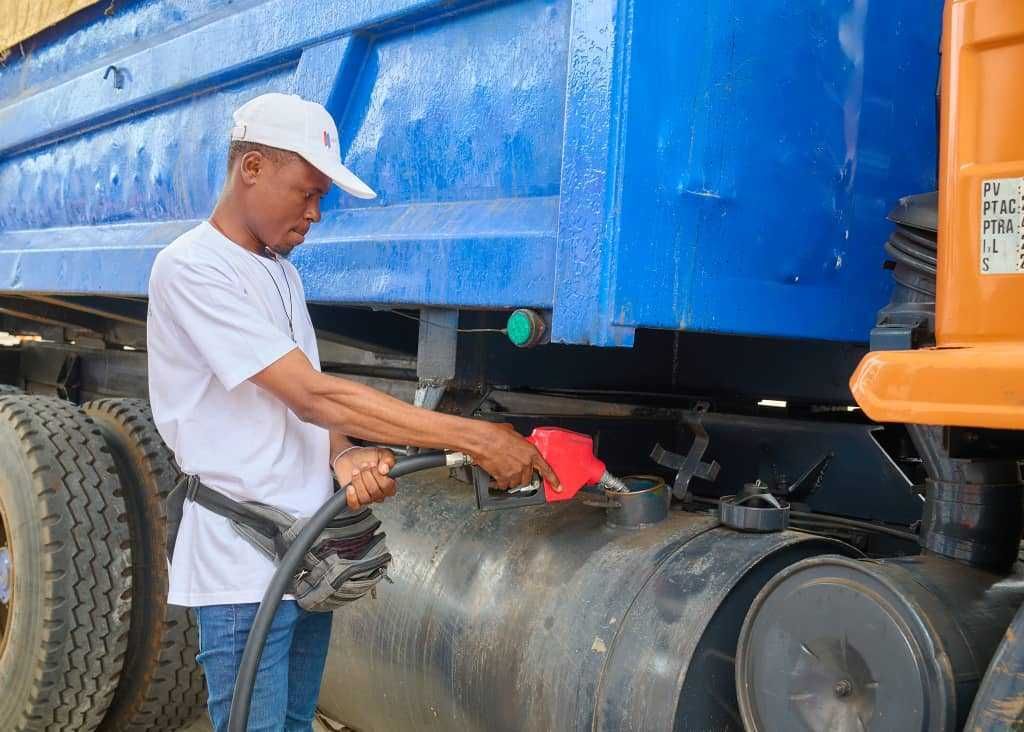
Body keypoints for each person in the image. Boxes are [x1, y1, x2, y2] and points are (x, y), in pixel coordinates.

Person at [146, 92, 558, 732]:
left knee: (294, 723)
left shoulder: (279, 272)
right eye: (305, 192)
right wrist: (476, 437)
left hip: (305, 553)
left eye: (320, 201)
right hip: (240, 568)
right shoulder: (192, 268)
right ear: (251, 167)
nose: (314, 215)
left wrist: (342, 453)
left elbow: (309, 401)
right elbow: (315, 394)